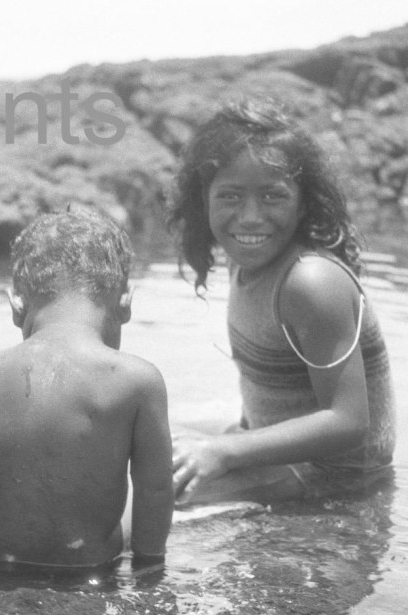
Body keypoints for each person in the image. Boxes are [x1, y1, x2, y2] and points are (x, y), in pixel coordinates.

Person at [168, 100, 395, 506]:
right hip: (278, 453)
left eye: (273, 196)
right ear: (204, 201)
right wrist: (223, 441)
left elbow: (349, 422)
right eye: (231, 196)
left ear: (303, 202)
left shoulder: (310, 281)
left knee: (142, 502)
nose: (251, 217)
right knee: (145, 434)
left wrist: (220, 451)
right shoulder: (248, 265)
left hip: (329, 476)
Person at [0, 206, 174, 571]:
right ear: (126, 303)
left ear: (16, 307)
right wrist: (149, 566)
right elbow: (155, 489)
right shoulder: (138, 379)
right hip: (86, 569)